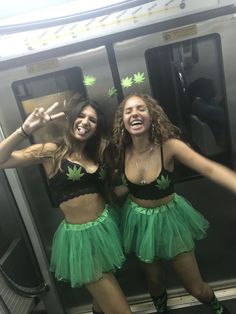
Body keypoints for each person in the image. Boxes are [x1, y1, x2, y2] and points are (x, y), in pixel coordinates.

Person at [0, 94, 132, 314]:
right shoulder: (53, 151)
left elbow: (105, 193)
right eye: (81, 116)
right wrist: (25, 130)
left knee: (103, 302)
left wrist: (135, 184)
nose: (85, 122)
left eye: (92, 120)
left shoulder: (97, 155)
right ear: (71, 119)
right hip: (81, 242)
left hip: (106, 231)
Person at [112, 93, 236, 314]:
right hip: (138, 223)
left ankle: (218, 309)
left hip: (170, 221)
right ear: (122, 120)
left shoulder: (169, 146)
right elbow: (127, 186)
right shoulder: (121, 151)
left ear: (152, 116)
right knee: (155, 282)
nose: (135, 114)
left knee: (196, 289)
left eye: (141, 108)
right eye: (128, 111)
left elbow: (209, 168)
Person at [187, 77, 227, 145]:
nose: (215, 88)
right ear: (205, 90)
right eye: (212, 86)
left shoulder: (196, 103)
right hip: (223, 138)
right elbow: (229, 120)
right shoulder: (210, 111)